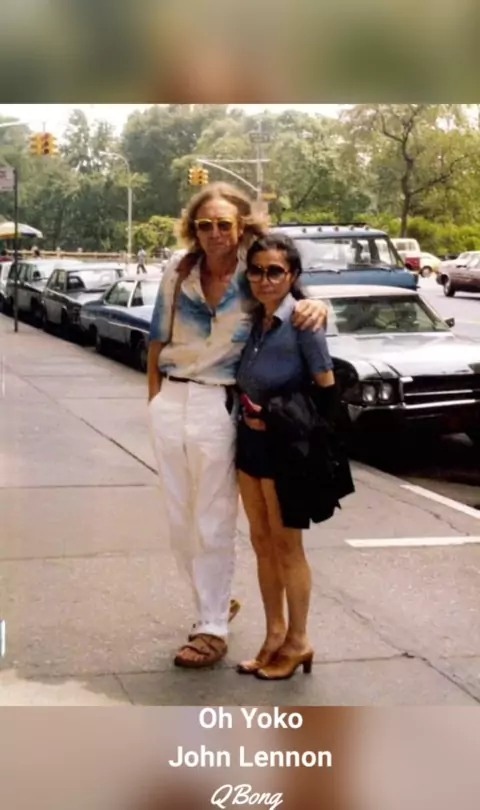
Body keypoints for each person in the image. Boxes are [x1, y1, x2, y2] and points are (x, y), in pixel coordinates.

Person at [147, 182, 329, 669]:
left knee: (213, 518)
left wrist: (321, 306)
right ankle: (215, 597)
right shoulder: (178, 269)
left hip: (219, 402)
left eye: (224, 224)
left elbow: (297, 302)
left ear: (241, 225)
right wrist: (155, 402)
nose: (214, 233)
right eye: (204, 224)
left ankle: (210, 626)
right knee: (179, 521)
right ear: (194, 228)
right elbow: (157, 339)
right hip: (172, 398)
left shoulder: (256, 271)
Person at [235, 232, 354, 680]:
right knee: (261, 542)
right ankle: (274, 634)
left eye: (275, 271)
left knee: (287, 546)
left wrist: (284, 421)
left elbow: (326, 393)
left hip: (286, 450)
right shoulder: (258, 321)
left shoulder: (304, 322)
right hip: (249, 444)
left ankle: (299, 640)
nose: (264, 279)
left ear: (293, 275)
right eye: (256, 270)